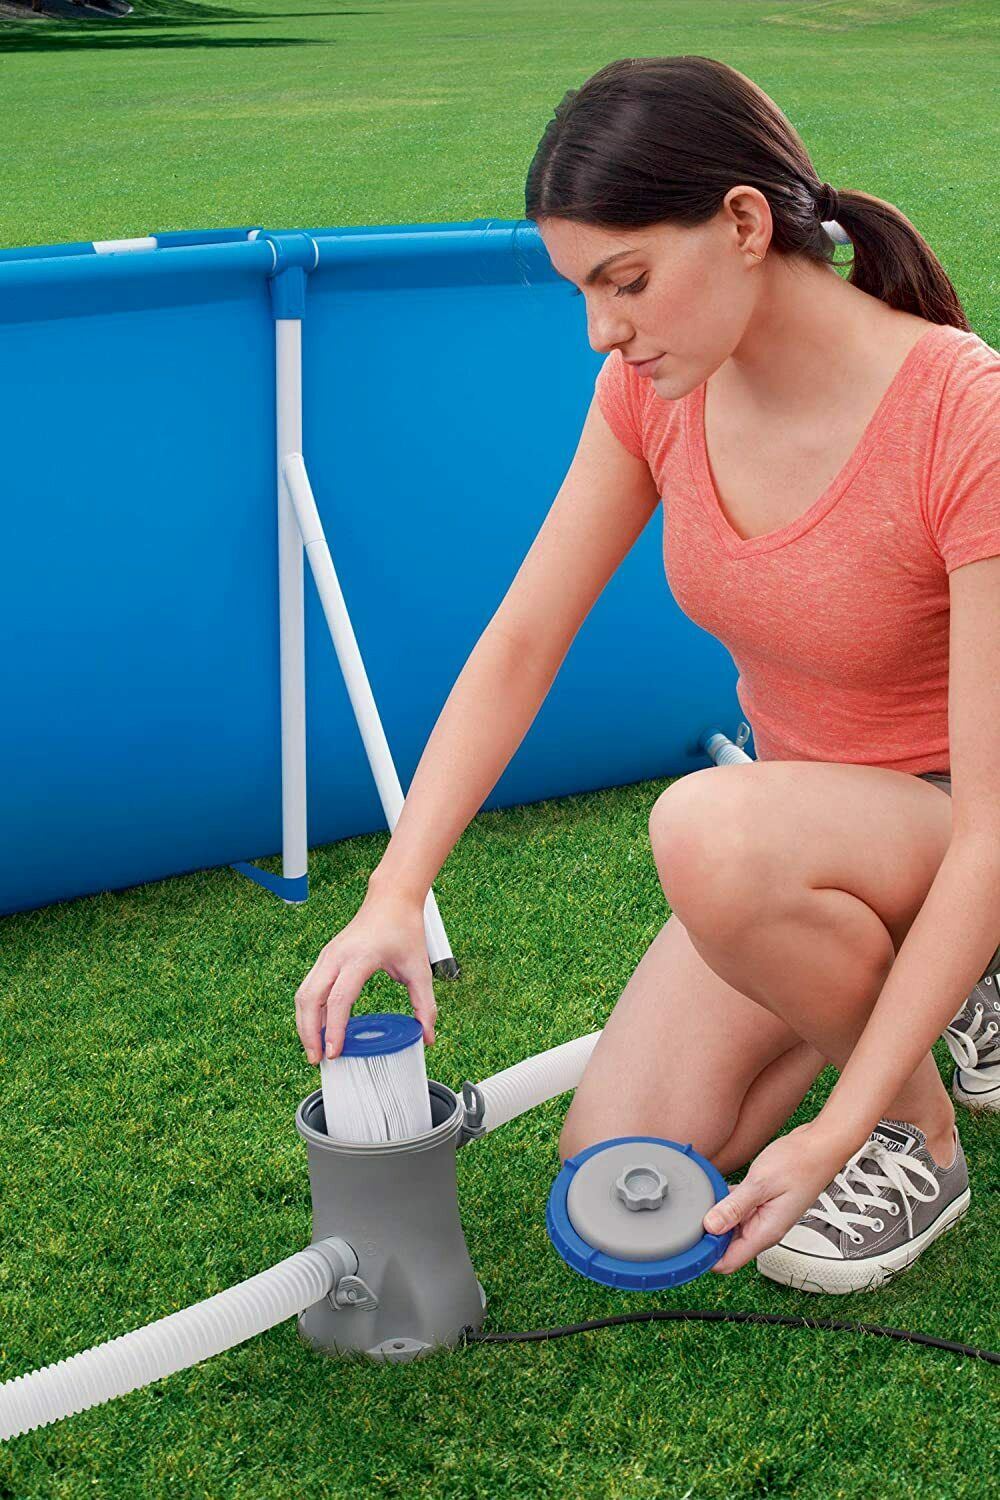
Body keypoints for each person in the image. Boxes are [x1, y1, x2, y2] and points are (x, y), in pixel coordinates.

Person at [295, 56, 1000, 1294]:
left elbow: (986, 828)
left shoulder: (965, 415)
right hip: (809, 839)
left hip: (953, 823)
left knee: (710, 834)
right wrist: (395, 892)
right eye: (582, 290)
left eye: (624, 281)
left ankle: (917, 1138)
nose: (602, 329)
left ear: (741, 223)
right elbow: (522, 640)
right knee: (624, 1161)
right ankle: (946, 994)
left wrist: (839, 1126)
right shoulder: (649, 392)